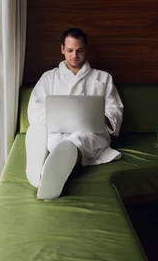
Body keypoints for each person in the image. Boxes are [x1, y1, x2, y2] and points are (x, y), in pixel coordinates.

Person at [25, 28, 124, 200]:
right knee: (53, 138)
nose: (74, 56)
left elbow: (114, 109)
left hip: (91, 131)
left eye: (79, 51)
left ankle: (46, 171)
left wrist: (99, 116)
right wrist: (53, 119)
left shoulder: (103, 78)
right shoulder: (49, 78)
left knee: (79, 138)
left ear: (86, 50)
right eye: (70, 50)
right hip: (56, 130)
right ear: (62, 49)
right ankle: (43, 167)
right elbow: (35, 106)